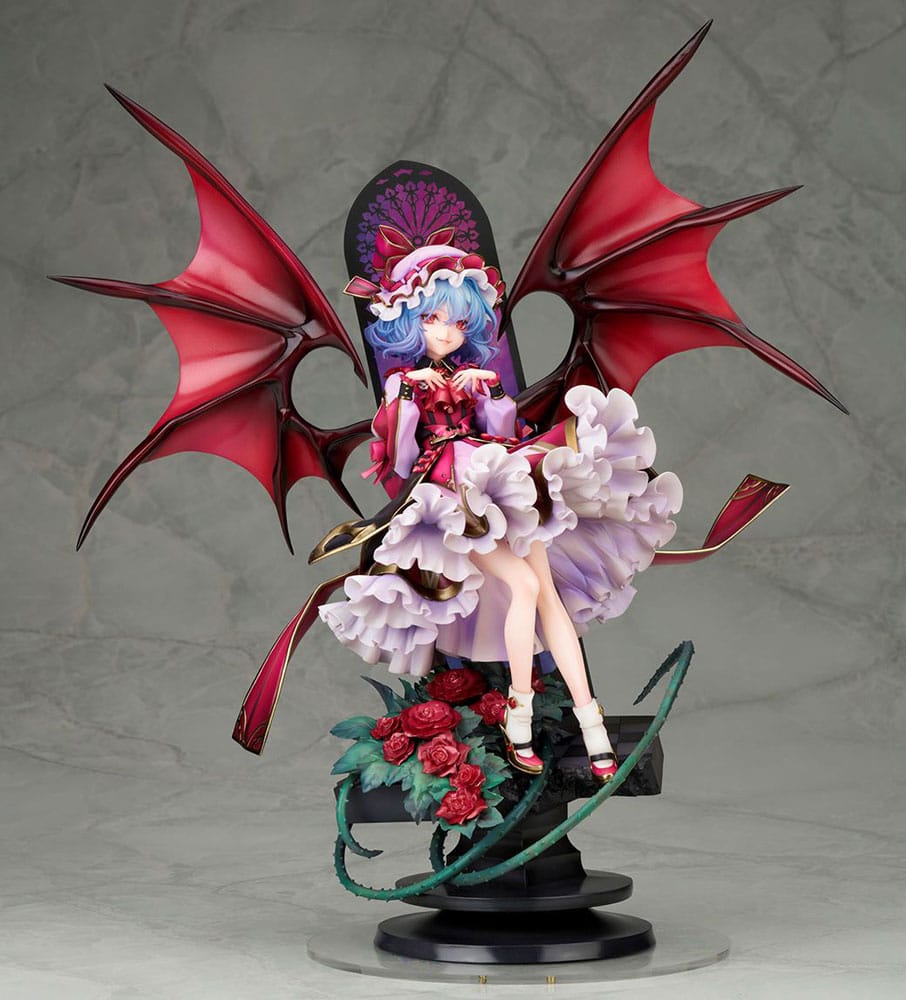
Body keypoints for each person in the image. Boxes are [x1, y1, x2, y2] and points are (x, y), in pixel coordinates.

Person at [314, 230, 682, 781]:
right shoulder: (401, 387)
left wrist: (490, 391)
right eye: (434, 318)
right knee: (525, 587)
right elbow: (401, 460)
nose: (447, 332)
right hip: (452, 502)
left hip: (504, 484)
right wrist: (410, 397)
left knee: (549, 599)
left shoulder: (472, 377)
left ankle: (592, 724)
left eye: (460, 323)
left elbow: (505, 433)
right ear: (408, 319)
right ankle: (520, 713)